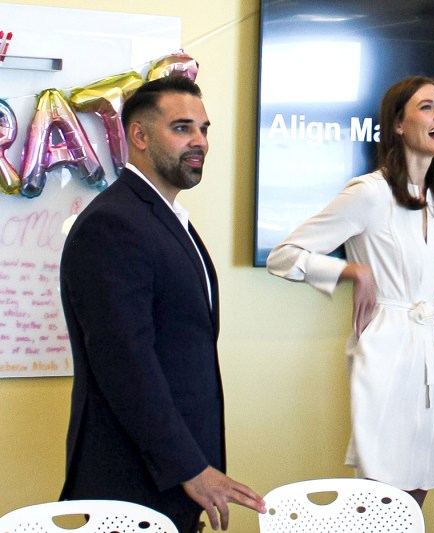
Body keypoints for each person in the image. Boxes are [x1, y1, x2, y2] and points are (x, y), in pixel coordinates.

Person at [59, 76, 266, 533]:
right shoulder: (114, 223)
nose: (200, 142)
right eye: (182, 128)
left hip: (172, 477)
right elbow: (124, 363)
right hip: (132, 479)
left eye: (205, 129)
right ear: (139, 136)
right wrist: (189, 468)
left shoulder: (165, 218)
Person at [267, 75, 434, 507]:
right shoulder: (369, 193)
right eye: (427, 107)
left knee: (418, 492)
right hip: (387, 351)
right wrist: (351, 272)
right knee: (383, 492)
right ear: (397, 124)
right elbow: (283, 255)